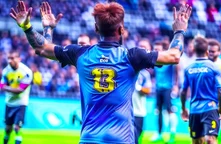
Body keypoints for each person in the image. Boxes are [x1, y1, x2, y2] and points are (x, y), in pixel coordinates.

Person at [10, 1, 192, 143]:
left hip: (89, 137)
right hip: (121, 139)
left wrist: (33, 27)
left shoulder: (80, 53)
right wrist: (179, 31)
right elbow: (174, 55)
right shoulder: (132, 56)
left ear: (96, 29)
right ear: (121, 29)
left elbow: (42, 48)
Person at [180, 37, 221, 144]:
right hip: (210, 108)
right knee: (211, 140)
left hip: (194, 109)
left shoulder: (188, 68)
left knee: (196, 141)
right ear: (207, 51)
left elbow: (183, 91)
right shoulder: (214, 67)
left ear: (194, 50)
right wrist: (220, 109)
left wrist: (183, 109)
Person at [0, 50, 33, 144]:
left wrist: (5, 87)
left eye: (12, 58)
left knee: (17, 127)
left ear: (19, 59)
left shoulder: (26, 72)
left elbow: (20, 90)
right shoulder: (6, 71)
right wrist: (5, 87)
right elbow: (2, 84)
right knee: (7, 129)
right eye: (9, 58)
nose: (10, 61)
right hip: (9, 102)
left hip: (21, 103)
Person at [151, 41, 178, 143]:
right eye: (155, 49)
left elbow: (177, 70)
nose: (156, 51)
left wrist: (176, 85)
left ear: (163, 50)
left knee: (170, 111)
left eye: (158, 49)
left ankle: (172, 135)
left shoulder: (168, 60)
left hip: (168, 88)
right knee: (158, 111)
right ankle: (159, 134)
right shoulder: (154, 60)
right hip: (158, 89)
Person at [133, 39, 152, 144]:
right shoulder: (128, 67)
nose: (142, 48)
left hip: (138, 111)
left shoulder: (145, 74)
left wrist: (138, 87)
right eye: (140, 46)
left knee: (136, 139)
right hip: (125, 111)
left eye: (145, 47)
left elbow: (148, 90)